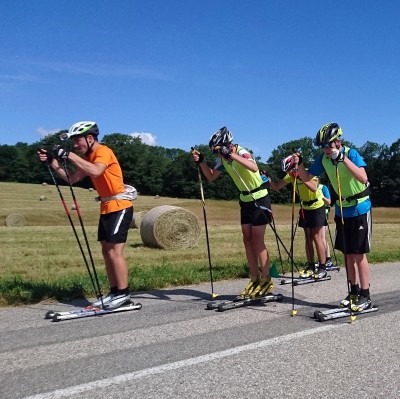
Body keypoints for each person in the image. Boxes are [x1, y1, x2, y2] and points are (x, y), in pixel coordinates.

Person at [38, 121, 135, 309]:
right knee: (106, 251)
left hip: (120, 205)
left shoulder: (103, 152)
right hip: (107, 206)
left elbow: (96, 170)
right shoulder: (88, 157)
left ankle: (124, 294)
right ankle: (114, 292)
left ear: (90, 138)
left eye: (77, 141)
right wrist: (53, 162)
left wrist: (69, 155)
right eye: (73, 143)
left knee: (115, 251)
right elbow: (72, 178)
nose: (75, 145)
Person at [292, 122, 372, 312]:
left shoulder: (351, 153)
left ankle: (365, 295)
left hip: (360, 207)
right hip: (342, 209)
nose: (325, 149)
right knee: (348, 254)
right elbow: (306, 177)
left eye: (328, 145)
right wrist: (299, 164)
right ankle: (353, 291)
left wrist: (343, 159)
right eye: (323, 146)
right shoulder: (324, 159)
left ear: (338, 141)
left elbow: (363, 177)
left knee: (359, 254)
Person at [192, 127, 273, 299]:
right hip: (245, 200)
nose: (217, 154)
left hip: (259, 197)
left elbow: (253, 167)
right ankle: (254, 278)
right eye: (215, 152)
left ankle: (266, 279)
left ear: (226, 145)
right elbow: (211, 177)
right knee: (247, 240)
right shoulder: (223, 159)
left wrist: (231, 155)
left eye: (217, 150)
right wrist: (202, 162)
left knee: (258, 240)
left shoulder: (242, 152)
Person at [269, 163, 328, 279]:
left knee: (317, 237)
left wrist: (301, 176)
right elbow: (276, 187)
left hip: (317, 206)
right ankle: (311, 266)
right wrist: (268, 180)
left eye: (290, 170)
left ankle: (322, 267)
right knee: (308, 237)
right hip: (305, 208)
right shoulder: (290, 175)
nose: (289, 174)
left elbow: (314, 187)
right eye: (288, 172)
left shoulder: (308, 172)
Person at [319, 182, 334, 268]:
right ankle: (323, 258)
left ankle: (327, 259)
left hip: (323, 213)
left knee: (322, 237)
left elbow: (329, 202)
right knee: (318, 238)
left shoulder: (323, 187)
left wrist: (321, 196)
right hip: (315, 213)